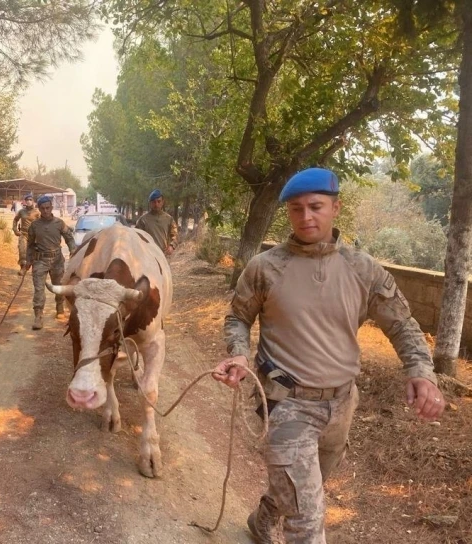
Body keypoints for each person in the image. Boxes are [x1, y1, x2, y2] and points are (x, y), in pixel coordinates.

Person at [211, 167, 445, 544]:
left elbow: (402, 324)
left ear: (335, 208)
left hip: (341, 404)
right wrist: (239, 355)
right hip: (284, 405)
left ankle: (261, 519)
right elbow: (238, 318)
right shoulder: (265, 267)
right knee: (307, 519)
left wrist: (421, 371)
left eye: (316, 206)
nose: (306, 217)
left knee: (303, 484)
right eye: (296, 209)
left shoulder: (363, 269)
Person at [23, 195, 76, 330]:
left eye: (48, 208)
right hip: (40, 260)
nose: (45, 211)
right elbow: (29, 244)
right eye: (43, 208)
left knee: (58, 286)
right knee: (39, 289)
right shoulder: (34, 225)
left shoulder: (59, 223)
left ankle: (59, 307)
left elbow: (69, 238)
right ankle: (38, 316)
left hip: (57, 260)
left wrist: (73, 251)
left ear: (51, 207)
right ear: (39, 209)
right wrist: (28, 261)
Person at [135, 189, 178, 256]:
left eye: (159, 201)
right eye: (154, 202)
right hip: (148, 256)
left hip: (163, 256)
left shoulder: (169, 219)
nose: (156, 204)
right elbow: (136, 237)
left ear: (162, 202)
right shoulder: (143, 220)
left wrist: (172, 246)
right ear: (150, 203)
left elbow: (175, 235)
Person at [12, 194, 40, 275]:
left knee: (34, 252)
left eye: (30, 200)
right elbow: (15, 220)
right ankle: (23, 268)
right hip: (23, 234)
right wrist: (15, 230)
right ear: (25, 201)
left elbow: (42, 223)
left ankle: (34, 269)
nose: (29, 201)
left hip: (34, 235)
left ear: (33, 201)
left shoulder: (37, 212)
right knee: (22, 250)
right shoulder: (21, 211)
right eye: (27, 200)